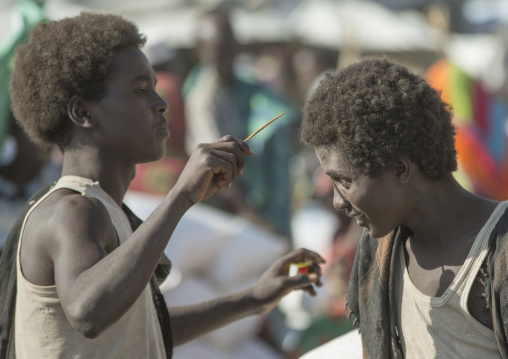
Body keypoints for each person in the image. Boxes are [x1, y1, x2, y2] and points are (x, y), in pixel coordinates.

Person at [1, 12, 325, 359]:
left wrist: (255, 298)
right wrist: (182, 195)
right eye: (140, 90)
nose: (161, 104)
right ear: (82, 112)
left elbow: (147, 327)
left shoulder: (108, 211)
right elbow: (89, 312)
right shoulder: (72, 209)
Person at [300, 57, 508, 358]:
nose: (337, 201)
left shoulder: (499, 254)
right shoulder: (381, 250)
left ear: (399, 168)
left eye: (344, 182)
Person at [183, 8, 300, 238]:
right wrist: (257, 220)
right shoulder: (203, 97)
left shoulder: (244, 85)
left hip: (256, 207)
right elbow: (212, 168)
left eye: (229, 47)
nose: (225, 56)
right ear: (201, 52)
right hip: (231, 211)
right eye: (218, 50)